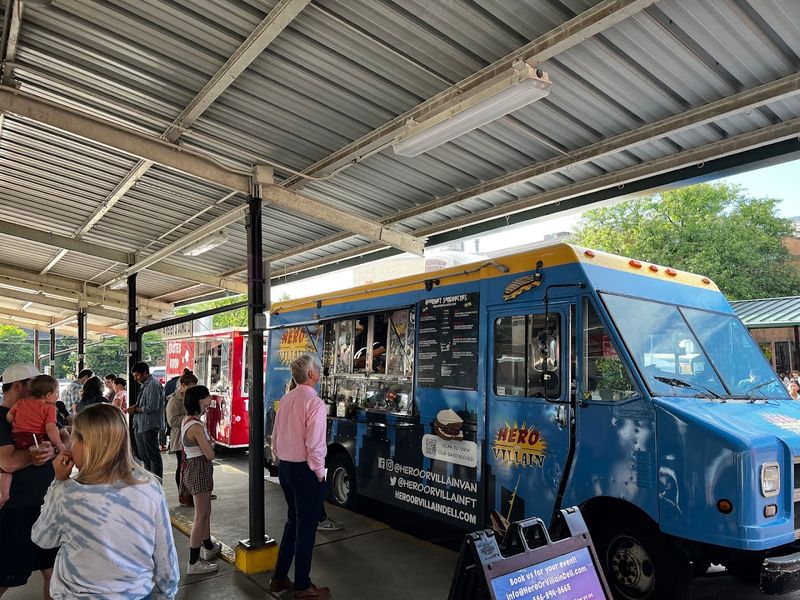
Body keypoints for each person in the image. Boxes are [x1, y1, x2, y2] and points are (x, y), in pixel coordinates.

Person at [31, 404, 179, 598]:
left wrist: (58, 483)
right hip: (135, 593)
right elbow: (164, 552)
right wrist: (167, 592)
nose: (69, 446)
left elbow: (42, 538)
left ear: (87, 445)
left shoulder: (67, 494)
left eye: (73, 438)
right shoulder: (149, 487)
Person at [269, 354, 330, 600]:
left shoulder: (286, 399)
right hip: (305, 470)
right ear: (312, 374)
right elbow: (315, 445)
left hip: (285, 467)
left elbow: (275, 436)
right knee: (307, 528)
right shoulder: (314, 403)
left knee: (293, 521)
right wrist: (320, 473)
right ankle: (303, 585)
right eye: (318, 369)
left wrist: (280, 458)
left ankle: (280, 576)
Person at [0, 363, 58, 597]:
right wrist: (38, 453)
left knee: (54, 572)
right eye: (34, 386)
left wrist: (53, 447)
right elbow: (8, 462)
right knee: (6, 574)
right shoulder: (1, 419)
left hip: (47, 504)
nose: (39, 392)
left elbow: (62, 436)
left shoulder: (42, 409)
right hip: (16, 510)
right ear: (18, 386)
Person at [1, 375, 67, 506]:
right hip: (20, 504)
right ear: (18, 386)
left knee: (5, 473)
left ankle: (3, 493)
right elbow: (9, 463)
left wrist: (52, 451)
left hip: (45, 497)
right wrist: (58, 446)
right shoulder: (49, 409)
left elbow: (67, 437)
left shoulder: (20, 405)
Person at [181, 385, 222, 574]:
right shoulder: (196, 426)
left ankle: (209, 547)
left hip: (196, 468)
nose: (209, 398)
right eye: (206, 396)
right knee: (200, 517)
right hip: (199, 469)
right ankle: (193, 562)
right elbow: (210, 454)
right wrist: (211, 445)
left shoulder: (189, 420)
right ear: (199, 401)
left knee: (205, 512)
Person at [126, 362, 165, 480]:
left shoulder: (153, 385)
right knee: (145, 456)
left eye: (137, 375)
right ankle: (149, 481)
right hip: (140, 425)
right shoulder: (145, 384)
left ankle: (156, 482)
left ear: (145, 373)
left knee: (153, 456)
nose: (135, 378)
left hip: (149, 425)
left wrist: (136, 409)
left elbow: (152, 407)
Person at [166, 369, 196, 503]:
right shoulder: (173, 401)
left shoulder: (191, 398)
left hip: (191, 438)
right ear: (183, 385)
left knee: (191, 467)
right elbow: (172, 421)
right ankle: (182, 494)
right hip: (179, 438)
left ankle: (192, 493)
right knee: (181, 466)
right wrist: (189, 418)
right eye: (191, 387)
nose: (193, 390)